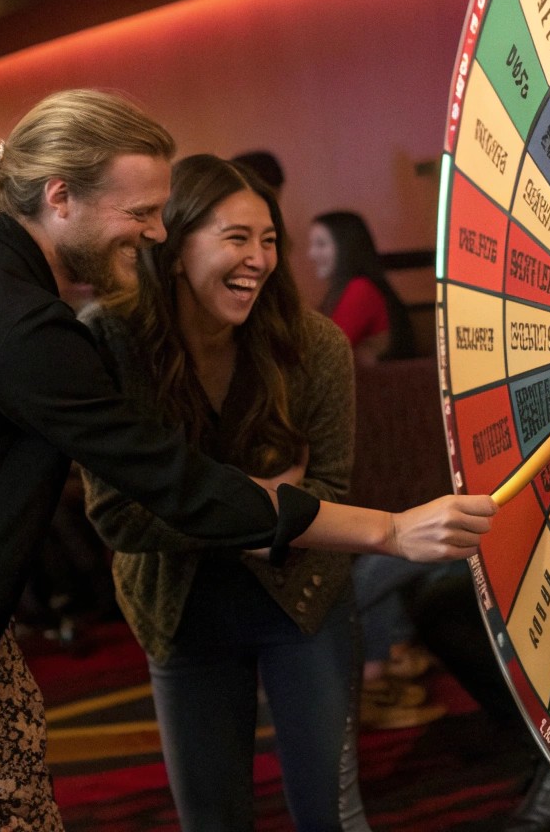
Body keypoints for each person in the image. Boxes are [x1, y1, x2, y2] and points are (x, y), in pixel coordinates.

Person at [0, 89, 494, 831]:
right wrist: (391, 531)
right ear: (60, 197)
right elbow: (171, 487)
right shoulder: (33, 327)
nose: (155, 232)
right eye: (142, 212)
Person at [81, 155, 365, 830]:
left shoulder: (314, 345)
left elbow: (328, 489)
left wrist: (211, 504)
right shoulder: (112, 338)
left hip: (303, 596)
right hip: (179, 610)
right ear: (176, 246)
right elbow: (118, 515)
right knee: (212, 820)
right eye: (236, 238)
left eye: (269, 240)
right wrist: (264, 506)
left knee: (331, 817)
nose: (259, 259)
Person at [308, 210, 416, 364]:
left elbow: (326, 351)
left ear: (347, 247)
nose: (311, 253)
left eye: (321, 244)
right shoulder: (345, 289)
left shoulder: (360, 289)